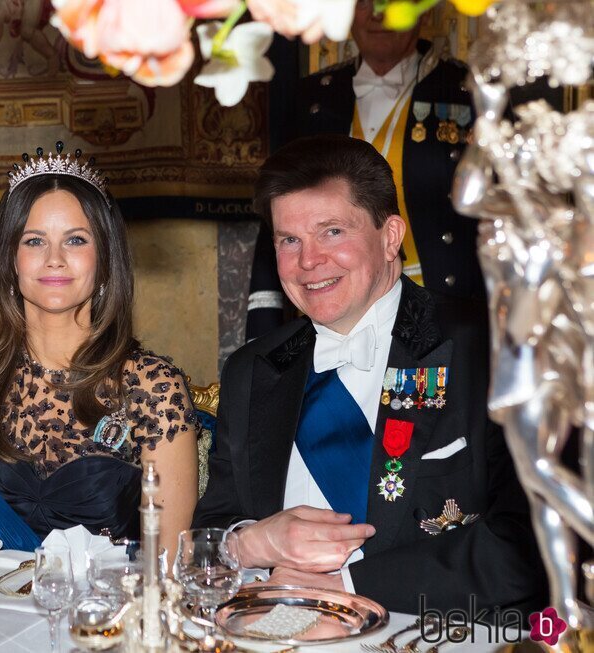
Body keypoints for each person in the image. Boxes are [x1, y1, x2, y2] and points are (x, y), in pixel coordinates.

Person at [195, 135, 546, 616]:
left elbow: (527, 547)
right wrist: (252, 543)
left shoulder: (489, 349)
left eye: (332, 232)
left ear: (390, 237)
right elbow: (209, 534)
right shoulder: (252, 370)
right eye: (289, 240)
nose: (309, 261)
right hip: (279, 631)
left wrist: (347, 583)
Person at [0, 143, 199, 554]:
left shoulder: (151, 386)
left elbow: (169, 557)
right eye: (34, 241)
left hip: (110, 611)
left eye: (75, 240)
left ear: (104, 258)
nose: (54, 259)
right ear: (9, 260)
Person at [246, 2, 479, 340]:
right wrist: (264, 325)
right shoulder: (309, 97)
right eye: (365, 3)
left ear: (425, 11)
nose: (377, 15)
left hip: (442, 308)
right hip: (329, 301)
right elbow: (279, 219)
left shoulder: (467, 91)